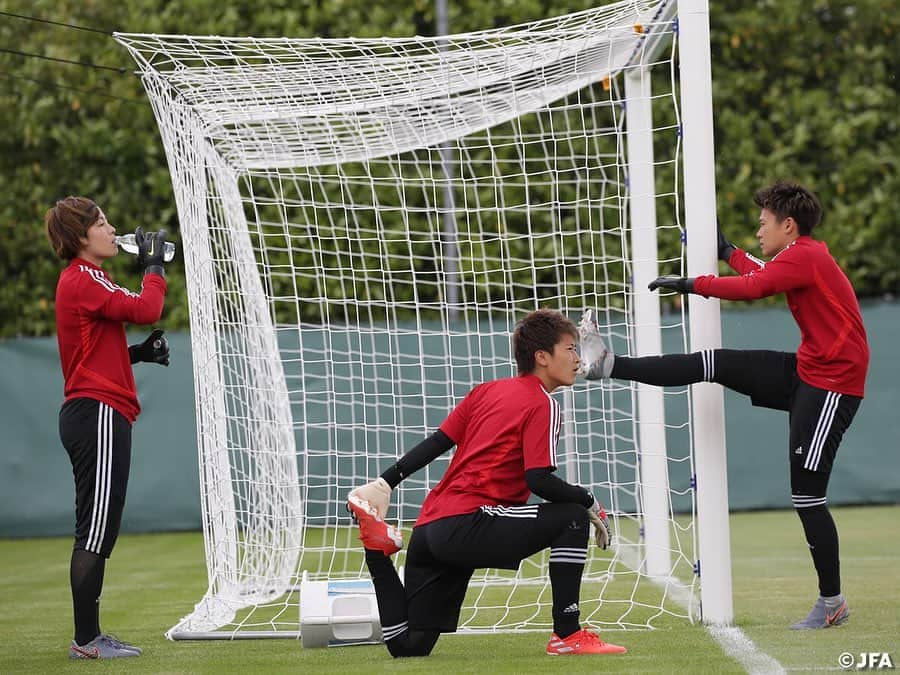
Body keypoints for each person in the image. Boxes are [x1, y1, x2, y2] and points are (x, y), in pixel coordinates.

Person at [580, 180, 868, 630]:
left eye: (763, 223)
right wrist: (726, 250)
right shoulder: (800, 255)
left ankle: (832, 602)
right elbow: (759, 272)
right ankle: (607, 365)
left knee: (807, 496)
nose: (759, 232)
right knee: (711, 363)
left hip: (832, 387)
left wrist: (694, 284)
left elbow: (754, 287)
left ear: (787, 226)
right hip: (809, 370)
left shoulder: (806, 256)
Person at [346, 308, 626, 657]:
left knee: (409, 645)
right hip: (469, 522)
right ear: (542, 357)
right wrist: (587, 501)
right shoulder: (543, 402)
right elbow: (538, 479)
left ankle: (376, 552)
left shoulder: (486, 391)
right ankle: (567, 634)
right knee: (571, 516)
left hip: (431, 528)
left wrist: (385, 482)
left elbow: (438, 442)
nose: (577, 357)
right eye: (570, 349)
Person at [45, 196, 172, 659]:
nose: (111, 227)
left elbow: (94, 349)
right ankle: (87, 641)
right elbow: (147, 307)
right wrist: (154, 265)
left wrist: (139, 353)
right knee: (96, 530)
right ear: (82, 237)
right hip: (95, 412)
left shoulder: (84, 281)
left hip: (97, 410)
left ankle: (91, 636)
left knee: (101, 527)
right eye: (101, 222)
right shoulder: (84, 277)